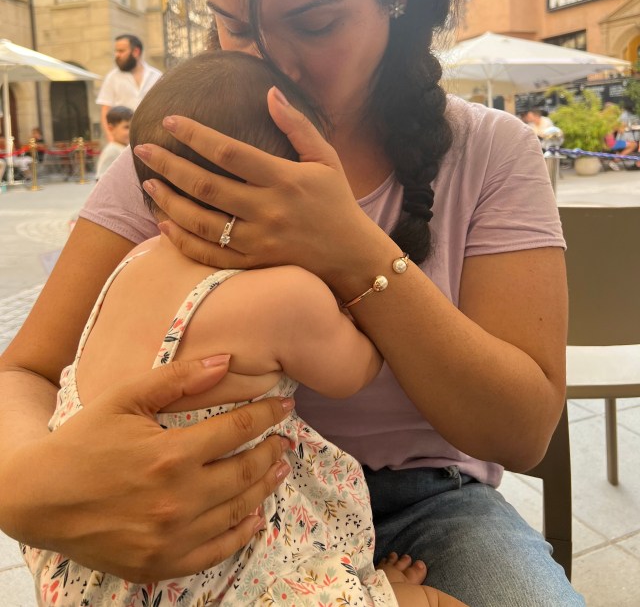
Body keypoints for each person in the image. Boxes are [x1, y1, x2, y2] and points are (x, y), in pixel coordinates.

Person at [0, 0, 582, 607]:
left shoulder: (489, 152)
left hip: (427, 509)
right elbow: (26, 369)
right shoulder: (188, 149)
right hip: (209, 505)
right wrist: (27, 485)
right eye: (233, 24)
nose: (269, 62)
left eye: (313, 21)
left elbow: (522, 430)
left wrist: (352, 250)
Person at [23, 50, 465, 607]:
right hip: (223, 574)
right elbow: (357, 369)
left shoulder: (130, 265)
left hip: (90, 565)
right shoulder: (286, 297)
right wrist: (344, 260)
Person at [96, 34, 161, 141]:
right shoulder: (112, 77)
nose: (117, 55)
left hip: (151, 138)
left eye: (121, 51)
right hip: (123, 141)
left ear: (135, 52)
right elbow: (105, 110)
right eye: (116, 51)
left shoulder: (156, 76)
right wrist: (111, 137)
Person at [95, 106, 133, 179]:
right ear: (111, 128)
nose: (131, 131)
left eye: (132, 127)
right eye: (126, 127)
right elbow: (101, 179)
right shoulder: (112, 150)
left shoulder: (126, 147)